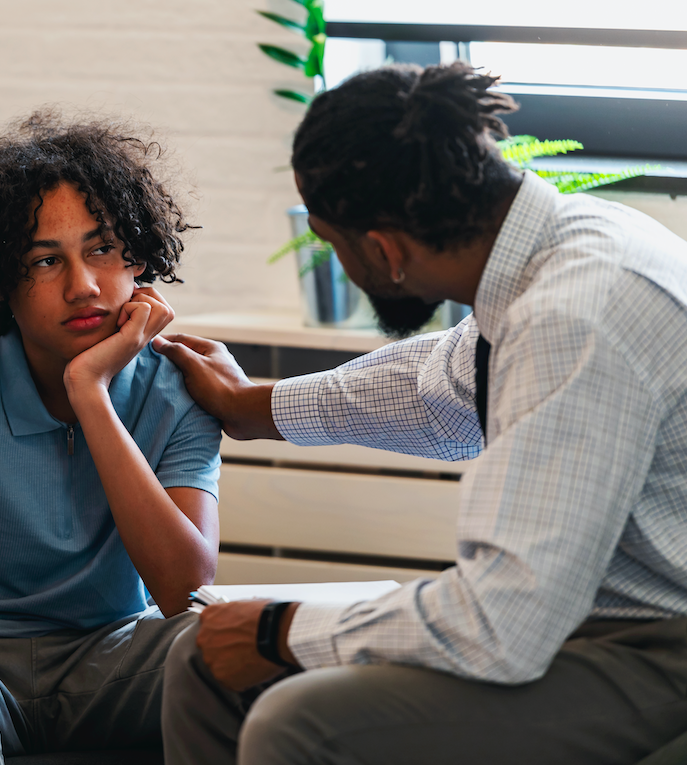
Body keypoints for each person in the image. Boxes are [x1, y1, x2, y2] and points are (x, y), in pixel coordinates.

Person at [153, 62, 687, 764]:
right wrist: (253, 405)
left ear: (383, 248)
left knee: (296, 721)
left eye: (332, 242)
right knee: (203, 661)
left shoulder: (573, 316)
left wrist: (280, 631)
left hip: (654, 647)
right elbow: (438, 390)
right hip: (575, 617)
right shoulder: (555, 250)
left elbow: (504, 620)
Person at [0, 111, 223, 762]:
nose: (83, 286)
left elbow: (183, 589)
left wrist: (91, 392)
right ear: (0, 282)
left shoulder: (178, 387)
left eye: (102, 249)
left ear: (137, 257)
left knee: (226, 641)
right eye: (46, 260)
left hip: (117, 657)